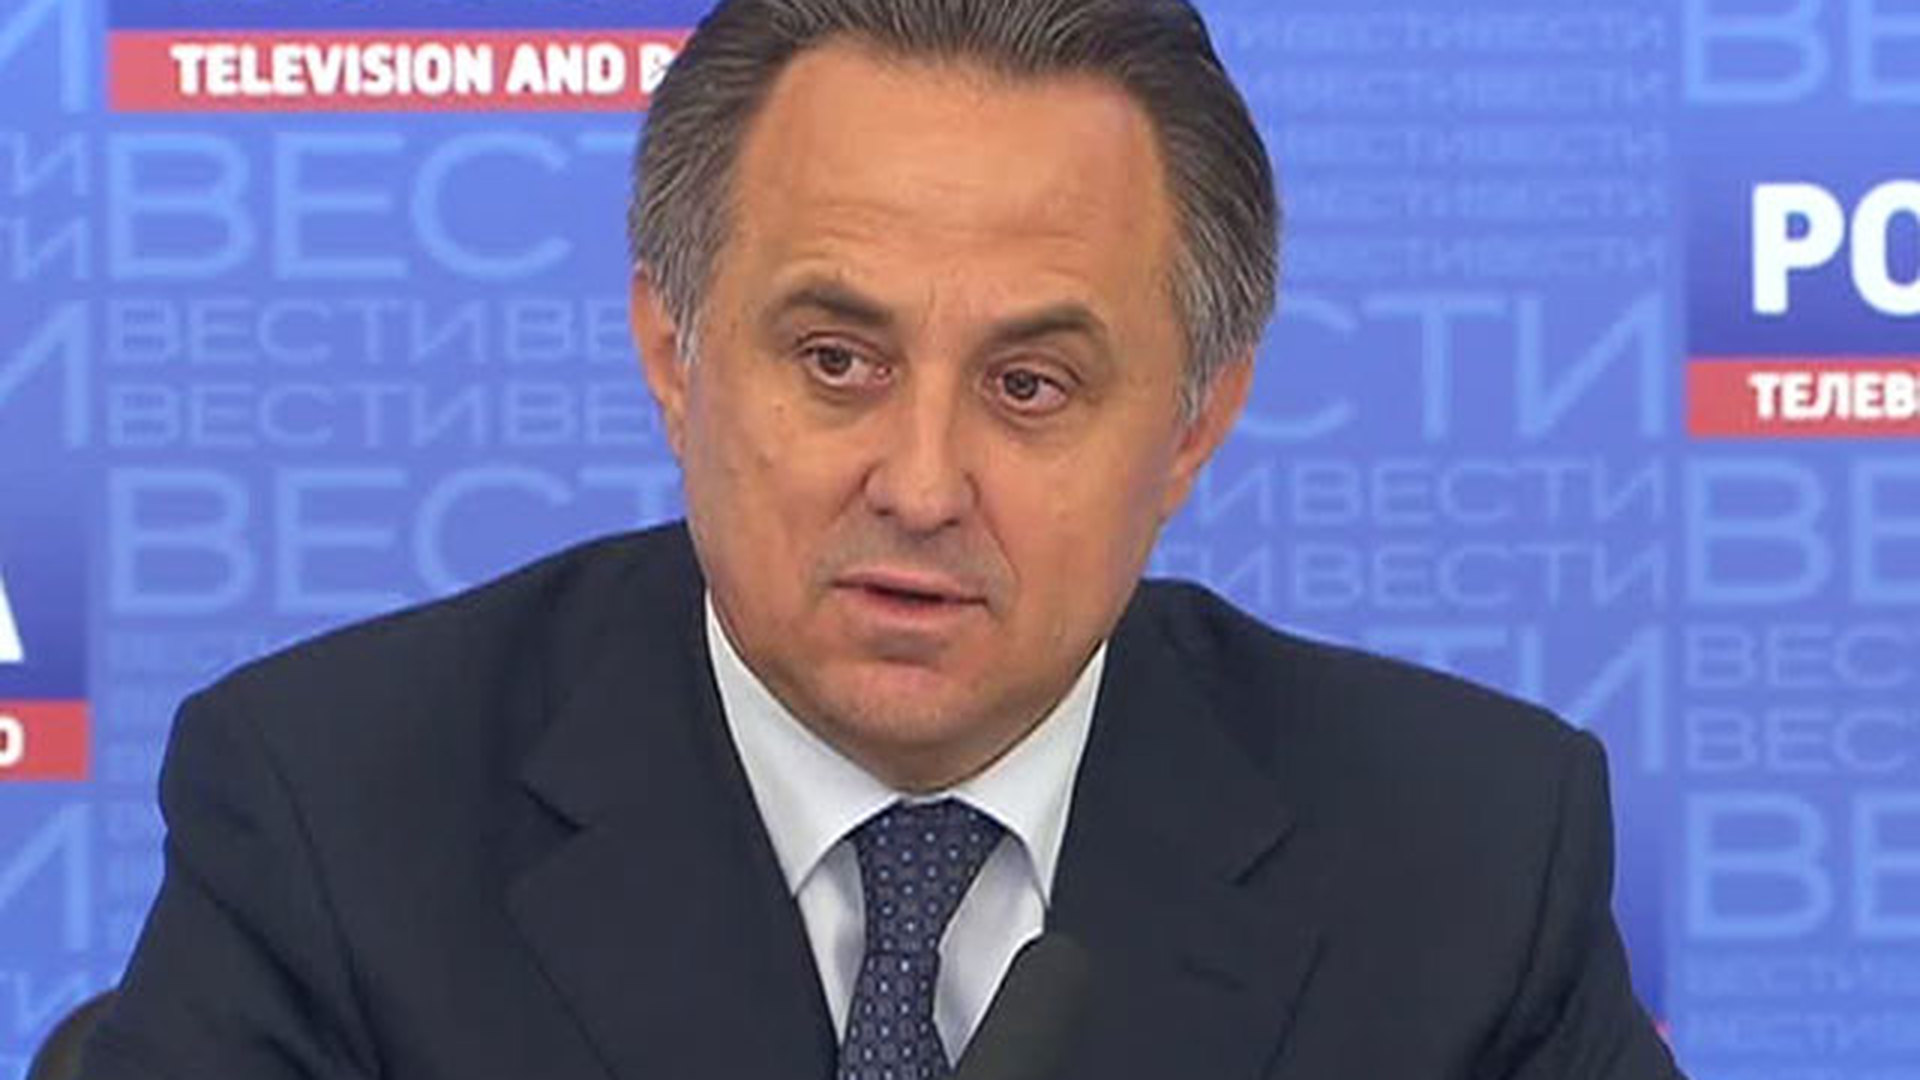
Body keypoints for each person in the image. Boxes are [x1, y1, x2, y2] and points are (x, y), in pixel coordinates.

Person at [79, 1, 1686, 1077]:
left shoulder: (1469, 858)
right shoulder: (337, 815)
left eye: (1031, 385)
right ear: (672, 352)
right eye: (837, 361)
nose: (921, 484)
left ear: (1197, 422)